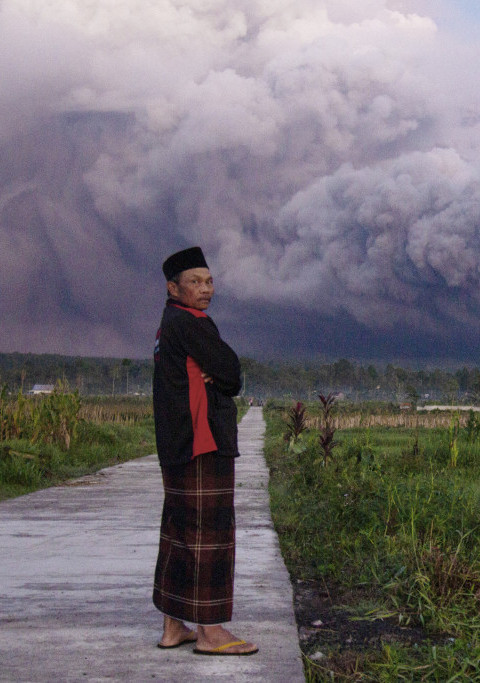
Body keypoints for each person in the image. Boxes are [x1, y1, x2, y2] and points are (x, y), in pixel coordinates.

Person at [152, 246, 258, 655]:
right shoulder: (193, 323)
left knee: (179, 535)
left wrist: (218, 371)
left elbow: (223, 373)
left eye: (209, 280)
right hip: (202, 445)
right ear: (173, 287)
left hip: (177, 447)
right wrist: (222, 372)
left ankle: (173, 627)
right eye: (194, 282)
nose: (205, 289)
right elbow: (232, 374)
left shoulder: (167, 326)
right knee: (210, 537)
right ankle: (211, 633)